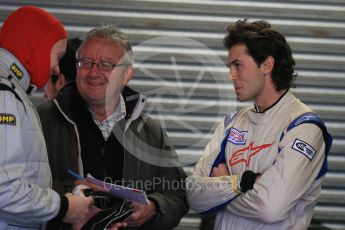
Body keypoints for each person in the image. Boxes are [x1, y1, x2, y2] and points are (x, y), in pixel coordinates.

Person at [37, 24, 188, 229]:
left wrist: (153, 208)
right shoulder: (41, 121)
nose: (93, 72)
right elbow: (17, 187)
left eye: (106, 64)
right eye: (85, 63)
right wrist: (69, 194)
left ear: (127, 74)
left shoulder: (151, 131)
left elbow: (177, 196)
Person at [186, 19, 333, 229]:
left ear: (267, 65)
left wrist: (222, 186)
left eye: (238, 65)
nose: (231, 76)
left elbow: (270, 208)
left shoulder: (304, 127)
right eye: (230, 67)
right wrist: (241, 183)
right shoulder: (231, 123)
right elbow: (194, 195)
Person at [0, 5, 94, 230]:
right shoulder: (5, 96)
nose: (55, 69)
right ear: (35, 45)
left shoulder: (13, 93)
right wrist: (64, 207)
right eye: (57, 56)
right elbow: (4, 188)